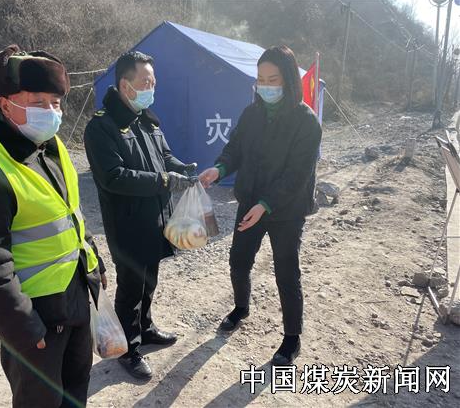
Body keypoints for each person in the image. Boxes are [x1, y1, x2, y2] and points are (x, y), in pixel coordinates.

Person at [0, 45, 107, 407]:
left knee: (75, 391)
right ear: (5, 104)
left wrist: (94, 263)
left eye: (55, 103)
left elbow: (69, 212)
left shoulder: (48, 145)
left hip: (75, 296)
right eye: (38, 102)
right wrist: (23, 328)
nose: (50, 112)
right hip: (36, 317)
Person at [199, 45, 322, 366]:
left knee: (286, 271)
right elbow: (235, 149)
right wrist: (219, 169)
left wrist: (267, 204)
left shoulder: (306, 122)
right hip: (251, 200)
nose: (265, 86)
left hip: (287, 209)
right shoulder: (252, 114)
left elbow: (296, 175)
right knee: (239, 260)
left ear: (288, 80)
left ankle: (292, 337)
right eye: (261, 79)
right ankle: (241, 308)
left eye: (273, 79)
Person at [84, 51, 197, 380]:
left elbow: (165, 157)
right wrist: (164, 181)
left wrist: (183, 170)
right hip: (128, 224)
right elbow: (113, 177)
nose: (152, 88)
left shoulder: (146, 120)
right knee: (131, 288)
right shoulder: (102, 127)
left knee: (149, 280)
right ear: (125, 85)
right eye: (146, 82)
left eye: (153, 82)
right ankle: (128, 349)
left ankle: (145, 328)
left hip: (157, 218)